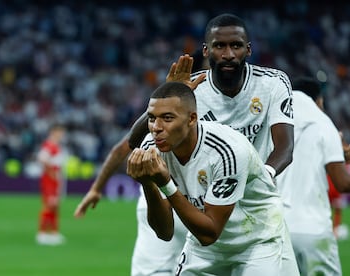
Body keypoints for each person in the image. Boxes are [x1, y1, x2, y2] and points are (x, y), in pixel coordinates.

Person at [74, 13, 295, 276]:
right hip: (197, 199)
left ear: (248, 49)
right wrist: (170, 93)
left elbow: (285, 147)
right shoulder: (189, 92)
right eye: (219, 46)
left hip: (254, 206)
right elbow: (133, 141)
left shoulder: (272, 83)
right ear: (206, 50)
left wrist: (262, 175)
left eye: (235, 45)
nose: (228, 54)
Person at [126, 81, 299, 275]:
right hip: (205, 248)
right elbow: (165, 233)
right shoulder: (152, 147)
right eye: (151, 118)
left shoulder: (227, 151)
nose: (156, 127)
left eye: (167, 118)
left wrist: (166, 184)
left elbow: (210, 233)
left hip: (256, 240)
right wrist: (148, 183)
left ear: (192, 119)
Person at [276, 77, 350, 275]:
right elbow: (343, 183)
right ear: (319, 100)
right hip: (314, 230)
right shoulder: (323, 123)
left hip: (278, 231)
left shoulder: (274, 126)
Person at [290, 76, 350, 240]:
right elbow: (344, 183)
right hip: (314, 226)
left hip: (282, 222)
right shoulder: (325, 126)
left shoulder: (278, 126)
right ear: (318, 101)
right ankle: (336, 229)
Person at [36, 123, 67, 246]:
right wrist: (51, 173)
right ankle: (42, 233)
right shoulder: (49, 145)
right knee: (49, 205)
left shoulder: (56, 146)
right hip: (50, 180)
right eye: (60, 132)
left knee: (55, 206)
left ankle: (54, 233)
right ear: (54, 132)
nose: (62, 135)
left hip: (56, 179)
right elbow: (42, 159)